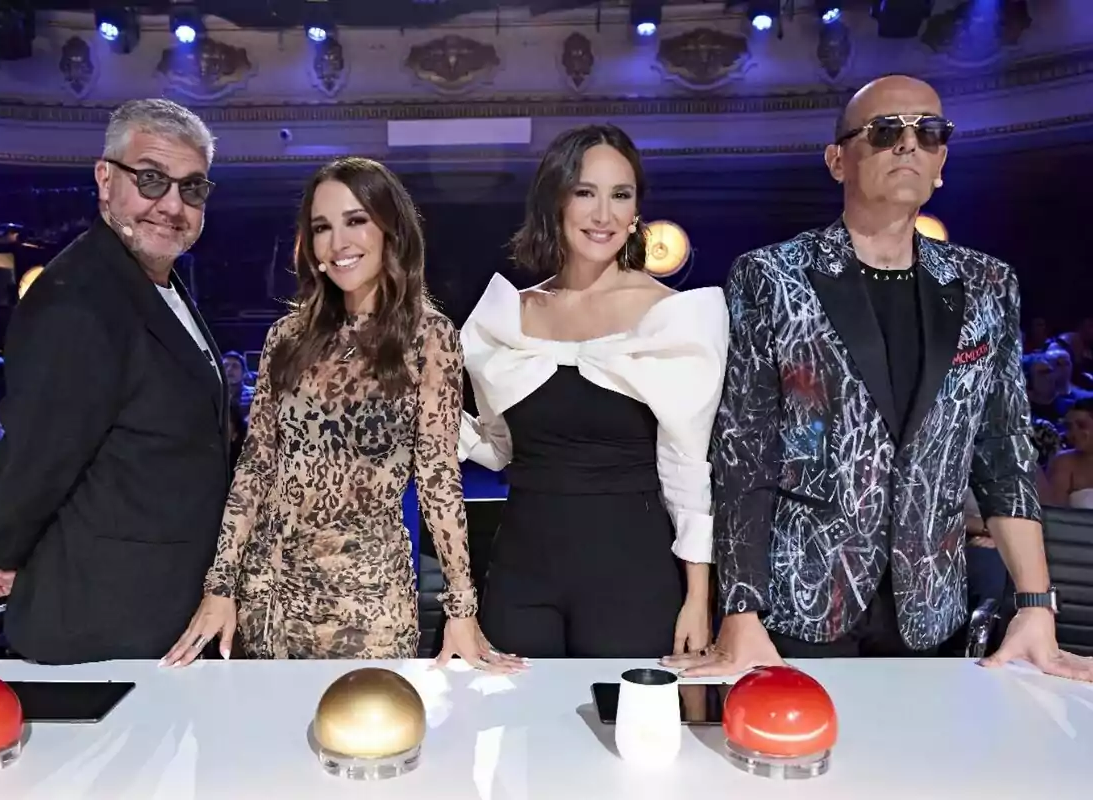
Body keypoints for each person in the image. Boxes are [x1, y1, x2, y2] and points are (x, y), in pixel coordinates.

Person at [666, 75, 1093, 683]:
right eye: (886, 132)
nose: (908, 145)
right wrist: (739, 607)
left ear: (942, 160)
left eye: (929, 132)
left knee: (919, 777)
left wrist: (1035, 605)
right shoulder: (772, 276)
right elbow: (744, 456)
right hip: (803, 597)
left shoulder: (987, 284)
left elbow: (1004, 456)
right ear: (838, 159)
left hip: (930, 606)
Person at [164, 157, 521, 673]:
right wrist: (222, 585)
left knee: (366, 744)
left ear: (389, 228)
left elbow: (438, 477)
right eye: (321, 228)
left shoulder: (429, 337)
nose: (337, 243)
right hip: (271, 592)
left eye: (355, 220)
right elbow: (255, 467)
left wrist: (461, 608)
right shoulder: (286, 338)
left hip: (367, 601)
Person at [0, 98, 230, 664]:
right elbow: (40, 453)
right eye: (152, 180)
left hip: (159, 605)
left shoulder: (156, 281)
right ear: (105, 179)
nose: (172, 205)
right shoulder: (79, 299)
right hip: (104, 618)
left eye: (193, 188)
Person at [460, 124, 728, 658]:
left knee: (625, 739)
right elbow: (499, 445)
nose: (603, 214)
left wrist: (698, 595)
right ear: (555, 200)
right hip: (520, 575)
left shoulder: (673, 317)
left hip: (632, 578)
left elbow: (687, 464)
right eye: (585, 192)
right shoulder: (509, 317)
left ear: (635, 213)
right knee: (519, 734)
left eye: (620, 195)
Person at [1047, 398, 1093, 509]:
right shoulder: (1064, 463)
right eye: (1069, 427)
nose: (1072, 433)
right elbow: (1056, 516)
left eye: (1082, 425)